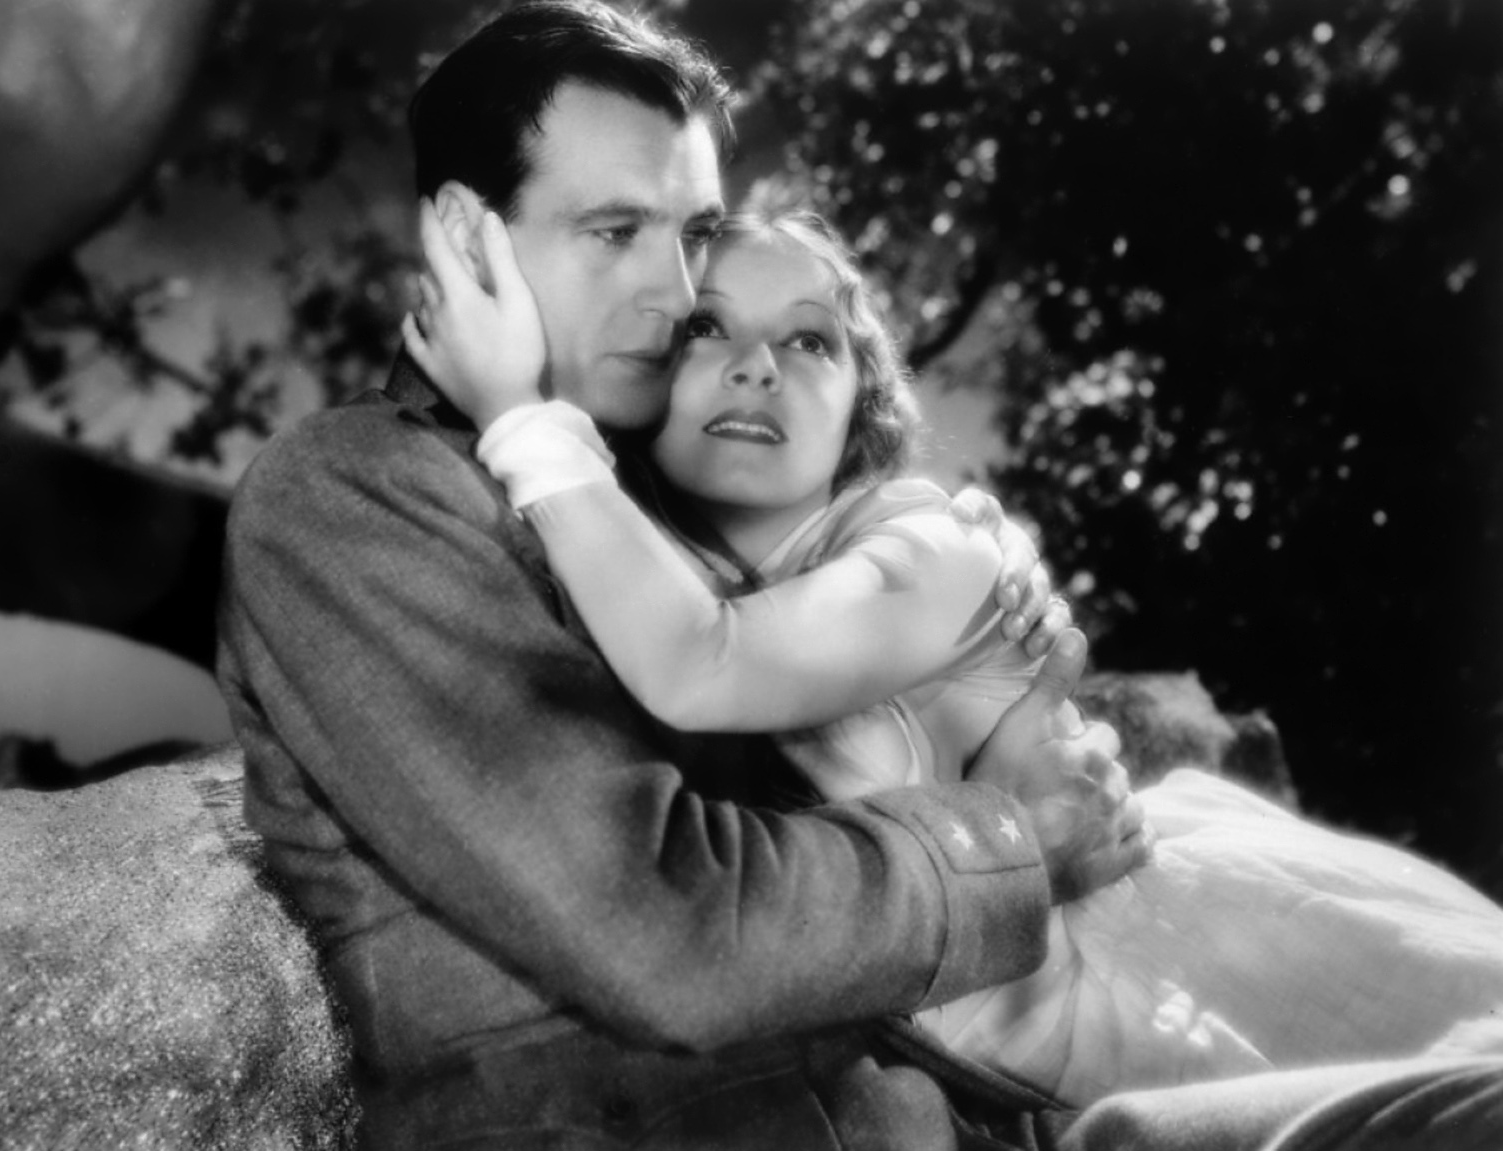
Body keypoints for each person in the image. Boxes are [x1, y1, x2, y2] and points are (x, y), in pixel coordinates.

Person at [217, 2, 1503, 1147]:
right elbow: (666, 933)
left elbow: (835, 619)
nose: (672, 291)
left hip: (994, 1096)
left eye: (694, 234)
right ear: (463, 233)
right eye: (614, 229)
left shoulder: (641, 494)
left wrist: (968, 588)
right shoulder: (355, 498)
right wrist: (1019, 841)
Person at [406, 204, 1503, 1108]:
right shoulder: (632, 573)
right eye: (707, 327)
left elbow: (703, 664)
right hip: (980, 1070)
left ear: (861, 408)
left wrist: (518, 411)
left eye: (810, 341)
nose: (756, 368)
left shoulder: (934, 546)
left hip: (1167, 984)